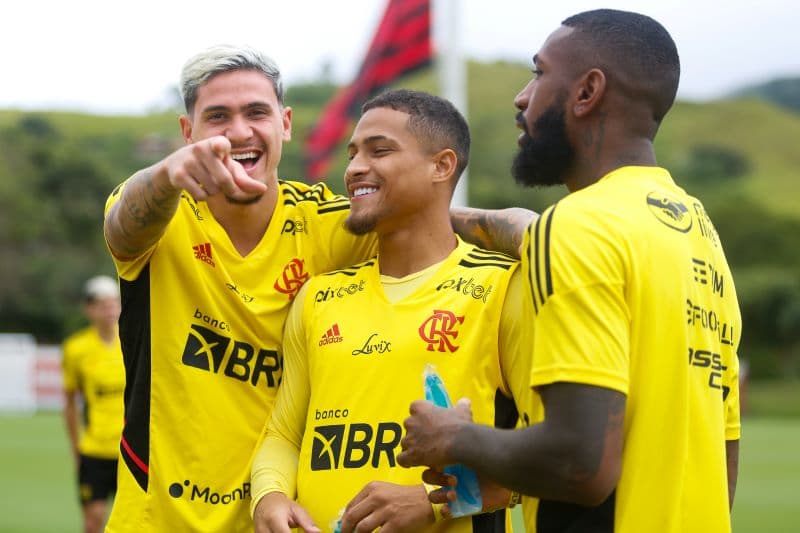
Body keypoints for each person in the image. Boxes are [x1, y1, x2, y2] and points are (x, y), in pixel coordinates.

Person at [102, 45, 531, 531]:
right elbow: (123, 227)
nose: (239, 131)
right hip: (161, 519)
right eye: (217, 116)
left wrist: (543, 237)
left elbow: (414, 216)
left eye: (256, 113)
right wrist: (165, 174)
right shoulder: (162, 211)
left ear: (285, 124)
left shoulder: (329, 226)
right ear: (188, 133)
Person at [397, 9, 742, 533]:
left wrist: (452, 437)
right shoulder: (697, 233)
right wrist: (432, 218)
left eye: (538, 74)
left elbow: (581, 464)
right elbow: (725, 449)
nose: (521, 97)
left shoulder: (577, 227)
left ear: (587, 93)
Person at [250, 89, 524, 533]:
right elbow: (282, 434)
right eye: (353, 153)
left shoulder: (502, 287)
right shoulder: (317, 296)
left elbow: (564, 456)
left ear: (442, 165)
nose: (355, 167)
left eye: (380, 151)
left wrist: (433, 502)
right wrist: (269, 495)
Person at [61, 275, 125, 533]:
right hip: (95, 449)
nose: (110, 310)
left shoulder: (135, 340)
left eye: (114, 303)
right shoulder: (76, 349)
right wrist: (76, 449)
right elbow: (69, 404)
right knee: (94, 518)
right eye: (102, 304)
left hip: (130, 451)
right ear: (89, 309)